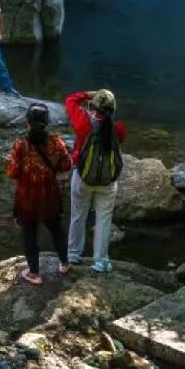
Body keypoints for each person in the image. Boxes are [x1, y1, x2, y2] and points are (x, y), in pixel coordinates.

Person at [6, 103, 72, 285]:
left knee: (29, 233)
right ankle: (65, 263)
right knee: (56, 229)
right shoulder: (56, 142)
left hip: (27, 197)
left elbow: (12, 172)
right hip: (51, 195)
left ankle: (34, 273)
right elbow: (66, 164)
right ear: (47, 122)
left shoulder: (21, 145)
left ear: (27, 123)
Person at [65, 89, 127, 272]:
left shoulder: (83, 123)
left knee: (78, 215)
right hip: (108, 182)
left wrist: (90, 94)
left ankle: (73, 254)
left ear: (94, 106)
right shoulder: (119, 129)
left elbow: (70, 100)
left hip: (82, 177)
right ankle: (101, 261)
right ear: (113, 110)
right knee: (104, 219)